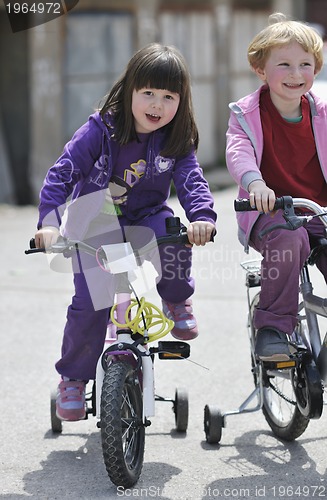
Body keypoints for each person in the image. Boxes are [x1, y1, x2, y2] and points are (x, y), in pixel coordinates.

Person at [35, 43, 217, 421]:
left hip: (146, 216)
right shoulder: (100, 129)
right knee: (90, 305)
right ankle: (73, 379)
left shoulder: (176, 139)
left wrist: (202, 217)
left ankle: (177, 299)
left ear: (180, 103)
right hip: (94, 223)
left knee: (173, 233)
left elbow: (192, 181)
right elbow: (62, 174)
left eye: (168, 96)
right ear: (130, 89)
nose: (157, 104)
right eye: (148, 92)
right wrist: (50, 223)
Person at [226, 13, 327, 362]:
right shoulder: (246, 113)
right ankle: (272, 327)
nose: (296, 74)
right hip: (272, 212)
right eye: (284, 64)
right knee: (289, 239)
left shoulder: (323, 112)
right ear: (260, 69)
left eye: (305, 64)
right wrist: (255, 184)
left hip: (320, 212)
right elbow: (239, 152)